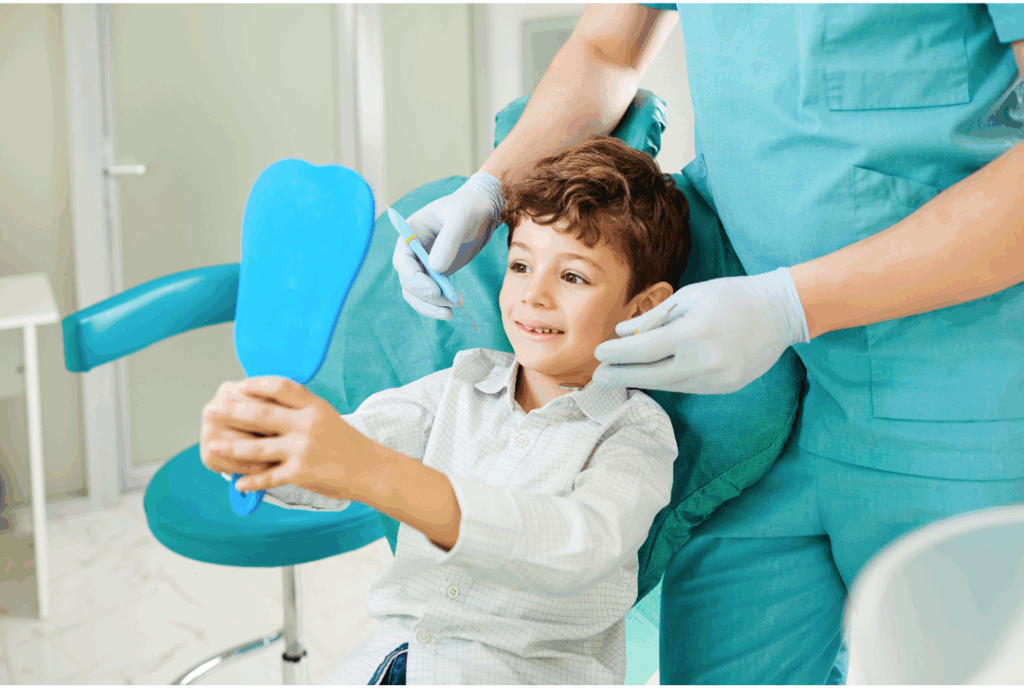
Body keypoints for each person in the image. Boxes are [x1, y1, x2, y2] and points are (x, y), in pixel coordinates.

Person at [392, 4, 1024, 684]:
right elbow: (606, 48)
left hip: (955, 385)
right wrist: (491, 186)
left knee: (955, 663)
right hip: (743, 403)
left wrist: (792, 305)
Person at [199, 136, 692, 684]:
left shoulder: (634, 434)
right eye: (522, 265)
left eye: (572, 276)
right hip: (384, 665)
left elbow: (575, 546)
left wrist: (372, 472)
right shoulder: (459, 385)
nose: (534, 295)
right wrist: (262, 448)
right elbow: (344, 447)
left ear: (644, 307)